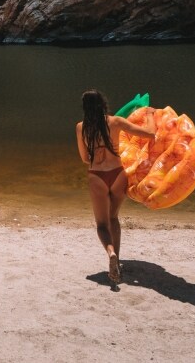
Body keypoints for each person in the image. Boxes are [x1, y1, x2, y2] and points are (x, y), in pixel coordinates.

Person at [76, 89, 155, 284]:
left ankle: (110, 252)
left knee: (102, 224)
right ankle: (117, 262)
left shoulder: (81, 127)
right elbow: (150, 134)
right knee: (114, 219)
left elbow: (85, 158)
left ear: (85, 108)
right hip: (117, 174)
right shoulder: (115, 122)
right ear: (103, 104)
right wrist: (150, 114)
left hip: (97, 176)